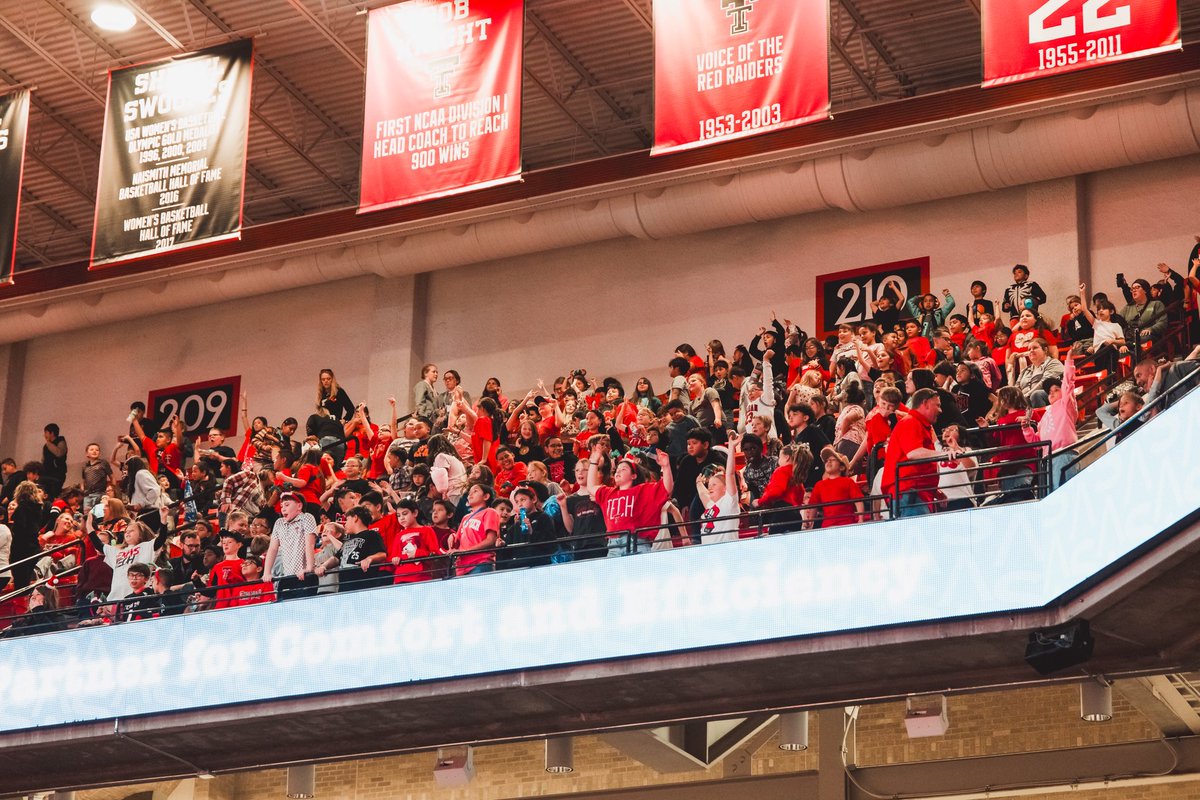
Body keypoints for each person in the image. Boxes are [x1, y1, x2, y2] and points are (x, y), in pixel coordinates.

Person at [587, 445, 674, 557]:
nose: (618, 472)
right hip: (613, 544)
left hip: (637, 543)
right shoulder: (608, 493)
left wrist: (666, 466)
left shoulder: (643, 490)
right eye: (617, 470)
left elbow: (667, 488)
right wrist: (594, 462)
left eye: (623, 469)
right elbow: (591, 486)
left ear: (633, 476)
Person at [881, 388, 953, 517]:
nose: (940, 410)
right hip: (910, 494)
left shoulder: (916, 423)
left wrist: (935, 491)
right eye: (937, 405)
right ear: (925, 404)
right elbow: (913, 453)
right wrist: (943, 454)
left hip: (914, 493)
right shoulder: (911, 422)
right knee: (917, 534)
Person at [263, 491, 318, 600]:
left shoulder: (306, 518)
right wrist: (267, 572)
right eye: (282, 505)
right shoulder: (279, 523)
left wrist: (309, 568)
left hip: (304, 575)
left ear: (299, 506)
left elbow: (310, 544)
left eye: (287, 505)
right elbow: (273, 548)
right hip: (287, 576)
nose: (283, 508)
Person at [320, 506, 388, 590]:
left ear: (355, 518)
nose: (345, 523)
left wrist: (369, 559)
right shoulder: (348, 539)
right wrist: (323, 566)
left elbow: (382, 554)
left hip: (363, 586)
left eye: (347, 519)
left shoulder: (372, 534)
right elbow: (336, 558)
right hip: (344, 587)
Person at [694, 433, 743, 545]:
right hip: (709, 554)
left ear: (725, 488)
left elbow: (730, 474)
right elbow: (702, 492)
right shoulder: (710, 505)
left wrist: (731, 447)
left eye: (714, 485)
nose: (710, 488)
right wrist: (699, 482)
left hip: (726, 552)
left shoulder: (729, 501)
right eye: (709, 485)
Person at [446, 482, 502, 575]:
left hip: (480, 563)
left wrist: (464, 551)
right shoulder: (465, 518)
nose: (470, 494)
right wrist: (452, 536)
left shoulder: (490, 512)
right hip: (461, 567)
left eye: (475, 491)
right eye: (469, 493)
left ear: (486, 496)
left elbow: (491, 540)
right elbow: (458, 543)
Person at [560, 459, 607, 560]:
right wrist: (563, 506)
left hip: (601, 544)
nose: (580, 473)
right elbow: (570, 528)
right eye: (577, 470)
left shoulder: (601, 493)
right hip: (580, 547)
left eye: (584, 469)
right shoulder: (571, 499)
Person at [805, 447, 864, 527]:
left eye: (832, 459)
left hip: (846, 525)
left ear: (841, 467)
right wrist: (810, 521)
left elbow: (858, 500)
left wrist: (861, 519)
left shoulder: (848, 482)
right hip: (827, 527)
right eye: (826, 461)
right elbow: (813, 505)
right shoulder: (819, 485)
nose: (828, 461)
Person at [0, 585, 68, 638]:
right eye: (32, 595)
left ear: (47, 598)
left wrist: (38, 610)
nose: (33, 597)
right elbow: (7, 641)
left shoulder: (58, 618)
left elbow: (53, 636)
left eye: (38, 594)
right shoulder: (23, 620)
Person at [1117, 276, 1168, 345]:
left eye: (1137, 287)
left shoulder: (1156, 304)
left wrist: (1151, 329)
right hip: (1130, 336)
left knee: (1143, 338)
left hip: (1149, 336)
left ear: (1145, 290)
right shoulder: (1128, 307)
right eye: (1132, 289)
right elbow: (1117, 321)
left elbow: (1162, 322)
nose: (1134, 290)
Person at [1014, 339, 1064, 408]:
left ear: (1045, 350)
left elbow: (1044, 383)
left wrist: (1025, 396)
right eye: (1029, 349)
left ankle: (1042, 418)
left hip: (1050, 394)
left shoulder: (1054, 363)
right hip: (1026, 399)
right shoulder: (1025, 370)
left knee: (1036, 394)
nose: (1031, 350)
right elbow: (1016, 387)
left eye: (1035, 348)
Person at [40, 423, 68, 499]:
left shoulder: (61, 441)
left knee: (54, 493)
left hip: (57, 473)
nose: (44, 435)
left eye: (46, 432)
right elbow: (43, 459)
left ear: (51, 433)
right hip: (46, 473)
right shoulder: (46, 446)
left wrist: (48, 443)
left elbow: (59, 453)